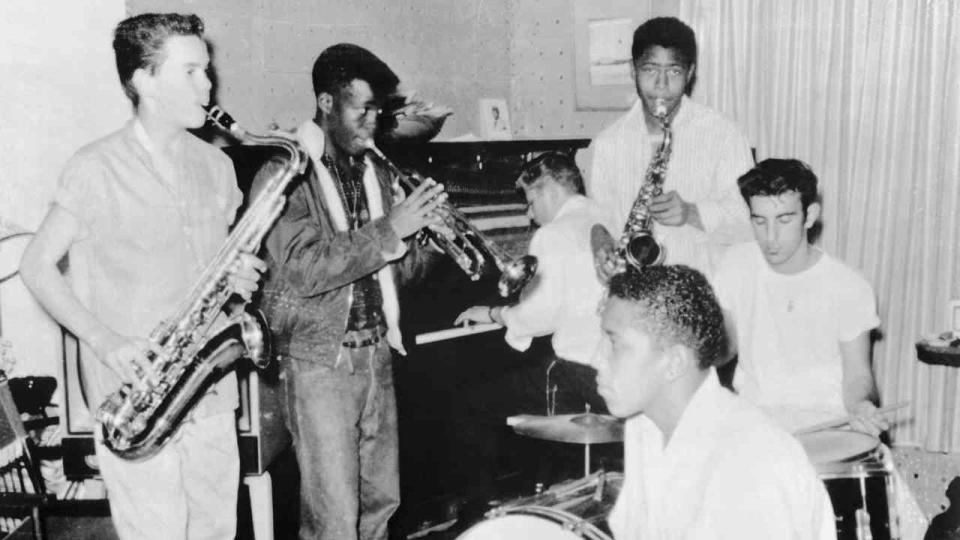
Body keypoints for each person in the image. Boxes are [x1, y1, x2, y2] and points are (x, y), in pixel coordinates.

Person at [18, 13, 265, 539]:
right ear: (144, 80)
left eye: (207, 70)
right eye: (192, 71)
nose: (208, 85)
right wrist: (105, 341)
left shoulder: (217, 167)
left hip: (209, 390)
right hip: (136, 399)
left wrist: (237, 280)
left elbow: (215, 273)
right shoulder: (94, 167)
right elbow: (35, 265)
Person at [257, 43, 446, 540]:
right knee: (335, 519)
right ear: (326, 103)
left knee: (381, 505)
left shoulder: (376, 172)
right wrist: (391, 229)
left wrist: (425, 240)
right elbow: (304, 269)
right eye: (361, 108)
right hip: (320, 364)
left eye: (378, 110)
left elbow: (392, 276)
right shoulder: (285, 172)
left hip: (377, 354)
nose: (373, 121)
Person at [596, 264, 835, 538]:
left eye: (614, 344)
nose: (597, 361)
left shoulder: (750, 461)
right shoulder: (645, 423)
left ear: (674, 362)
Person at [711, 159, 887, 434]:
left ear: (810, 215)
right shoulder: (735, 264)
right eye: (759, 221)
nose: (770, 236)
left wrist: (861, 405)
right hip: (756, 421)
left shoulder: (849, 286)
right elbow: (725, 346)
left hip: (827, 423)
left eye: (784, 219)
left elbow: (858, 374)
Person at [587, 16, 753, 276]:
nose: (661, 85)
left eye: (674, 71)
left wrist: (692, 213)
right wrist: (600, 240)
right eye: (650, 69)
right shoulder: (608, 142)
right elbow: (599, 216)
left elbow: (749, 222)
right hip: (633, 291)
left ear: (689, 73)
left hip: (703, 292)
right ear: (633, 70)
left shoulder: (724, 135)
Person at [455, 152, 613, 416]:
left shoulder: (552, 234)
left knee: (473, 402)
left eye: (530, 202)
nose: (530, 214)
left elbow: (539, 317)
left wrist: (493, 313)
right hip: (614, 367)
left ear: (548, 191)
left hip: (579, 372)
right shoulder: (608, 216)